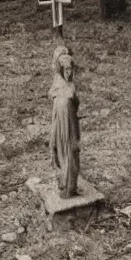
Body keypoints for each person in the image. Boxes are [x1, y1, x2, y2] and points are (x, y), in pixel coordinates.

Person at [49, 46, 80, 198]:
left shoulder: (70, 87)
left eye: (70, 69)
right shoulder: (59, 89)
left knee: (72, 153)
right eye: (66, 70)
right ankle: (65, 185)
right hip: (62, 127)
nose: (69, 73)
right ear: (60, 70)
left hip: (72, 125)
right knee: (62, 153)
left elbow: (76, 104)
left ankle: (70, 186)